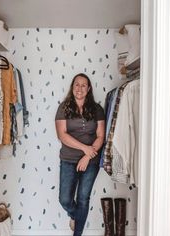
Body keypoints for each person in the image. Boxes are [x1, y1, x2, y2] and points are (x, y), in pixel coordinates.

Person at [55, 73, 105, 236]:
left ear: (89, 89)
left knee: (83, 198)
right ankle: (74, 215)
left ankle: (77, 233)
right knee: (64, 199)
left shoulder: (97, 109)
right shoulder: (63, 107)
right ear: (72, 86)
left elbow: (100, 136)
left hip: (91, 161)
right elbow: (62, 135)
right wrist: (85, 148)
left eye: (84, 85)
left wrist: (87, 156)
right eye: (77, 84)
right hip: (68, 160)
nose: (80, 88)